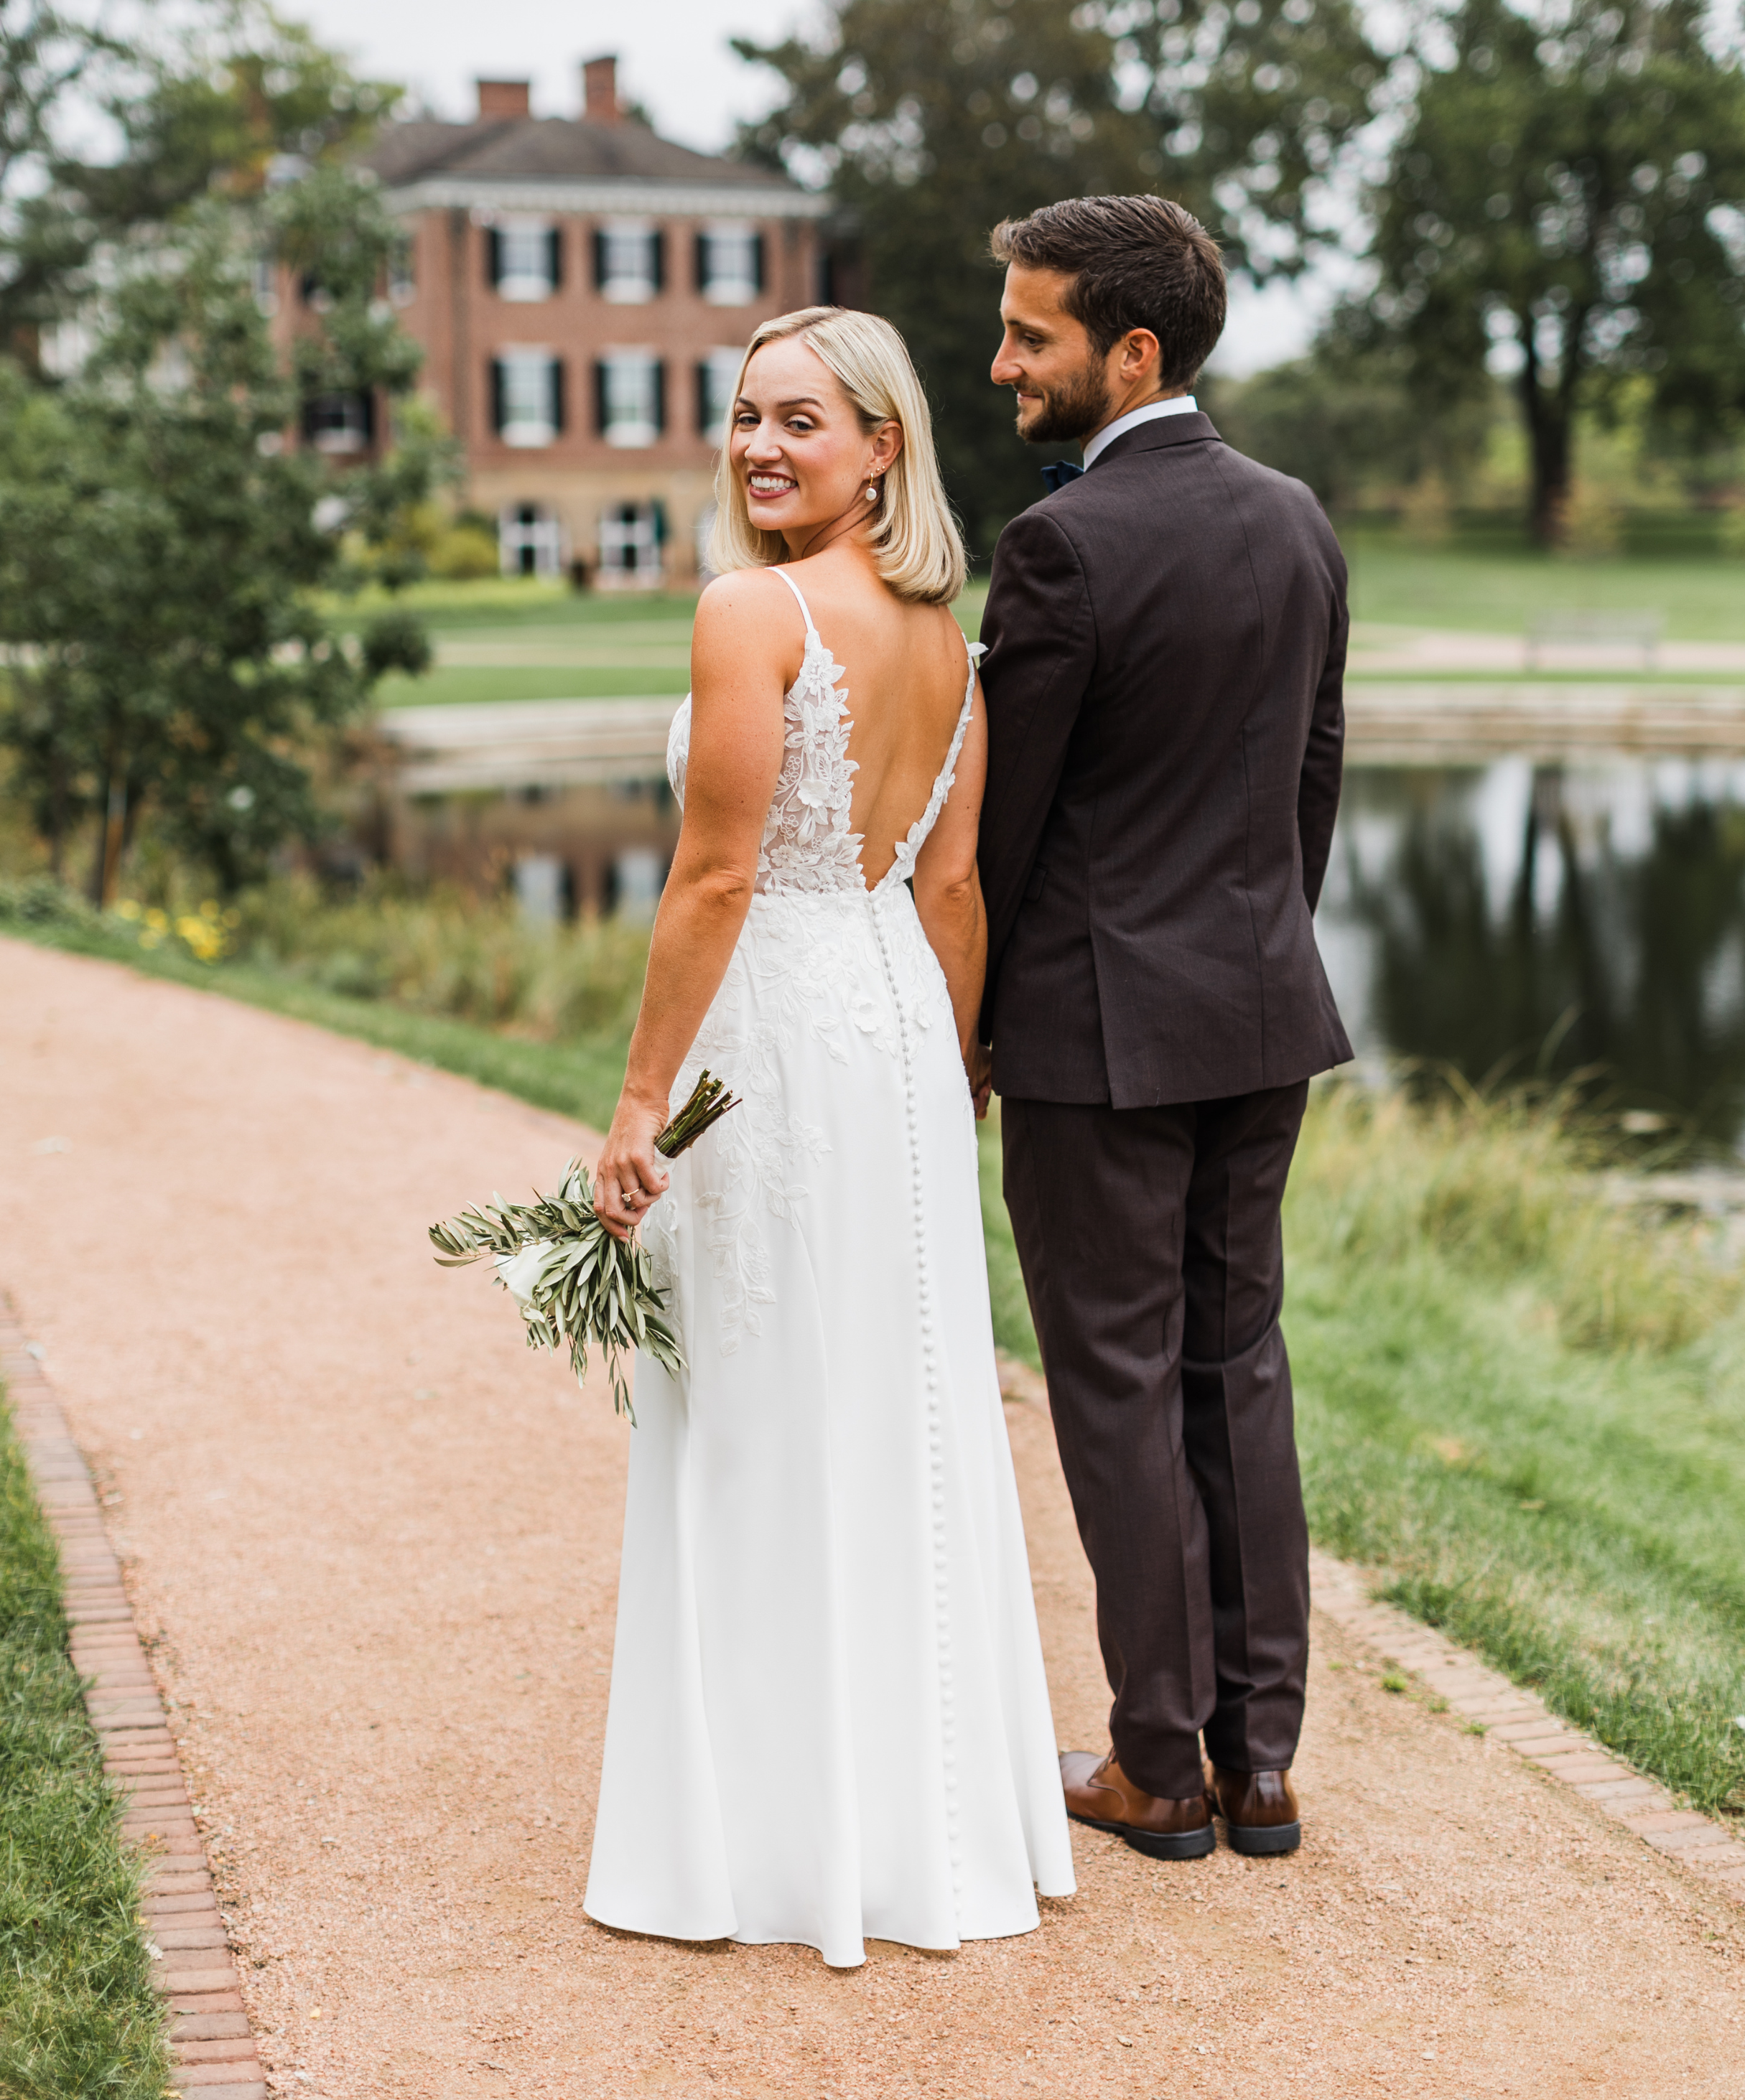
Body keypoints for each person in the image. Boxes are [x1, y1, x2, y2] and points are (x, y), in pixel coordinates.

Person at [583, 307, 1075, 1969]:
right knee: (884, 1401)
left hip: (779, 1034)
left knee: (756, 1402)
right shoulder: (950, 637)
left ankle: (761, 1840)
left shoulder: (754, 609)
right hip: (897, 1049)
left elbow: (715, 879)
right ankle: (909, 1824)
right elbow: (947, 891)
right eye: (743, 418)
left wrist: (639, 1099)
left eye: (801, 420)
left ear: (884, 444)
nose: (761, 447)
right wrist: (953, 1081)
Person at [974, 196, 1352, 1862]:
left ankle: (1157, 1762)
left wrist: (969, 1028)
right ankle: (1261, 1761)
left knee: (1117, 1383)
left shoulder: (1063, 546)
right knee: (1237, 1370)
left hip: (1096, 1040)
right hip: (1263, 1014)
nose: (1001, 361)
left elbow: (1006, 834)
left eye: (1030, 332)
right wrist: (1258, 947)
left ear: (1132, 350)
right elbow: (1312, 784)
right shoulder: (1296, 520)